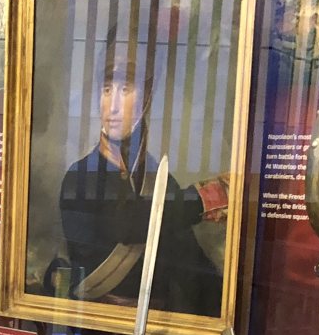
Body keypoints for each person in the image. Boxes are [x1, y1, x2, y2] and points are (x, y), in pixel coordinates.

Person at [56, 50, 223, 318]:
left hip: (155, 327)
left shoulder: (160, 180)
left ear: (146, 99)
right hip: (98, 330)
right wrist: (201, 199)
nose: (113, 106)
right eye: (107, 90)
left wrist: (228, 313)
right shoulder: (80, 177)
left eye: (125, 89)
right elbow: (126, 225)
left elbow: (192, 264)